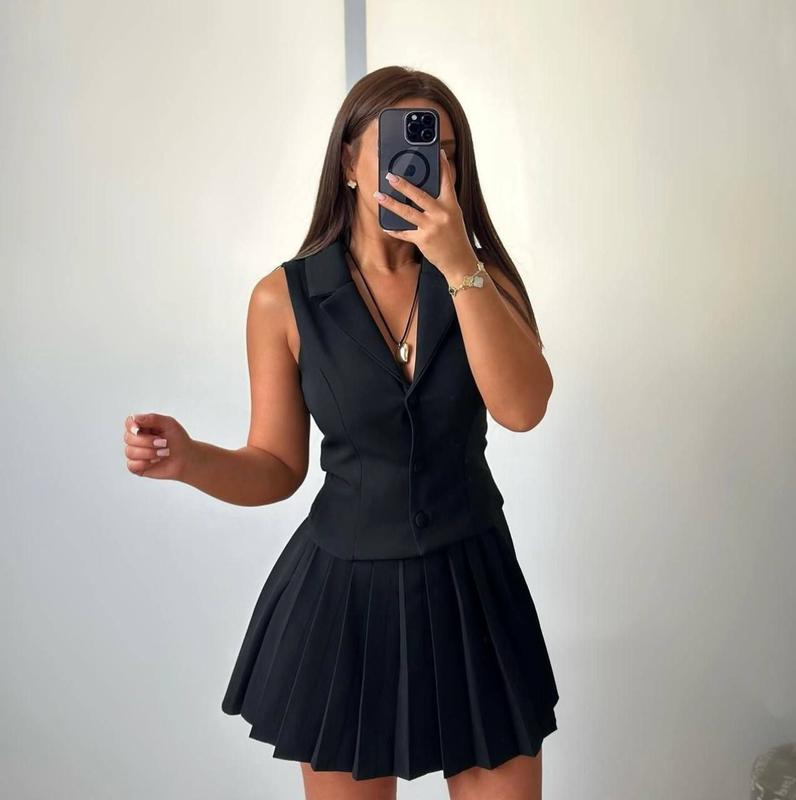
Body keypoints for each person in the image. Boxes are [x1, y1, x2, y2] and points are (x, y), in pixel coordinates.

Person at [123, 65, 559, 800]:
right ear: (350, 162)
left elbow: (523, 410)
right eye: (401, 144)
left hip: (474, 591)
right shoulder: (283, 299)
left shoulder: (486, 285)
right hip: (344, 604)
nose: (423, 163)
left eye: (445, 150)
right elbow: (276, 465)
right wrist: (192, 459)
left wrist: (460, 265)